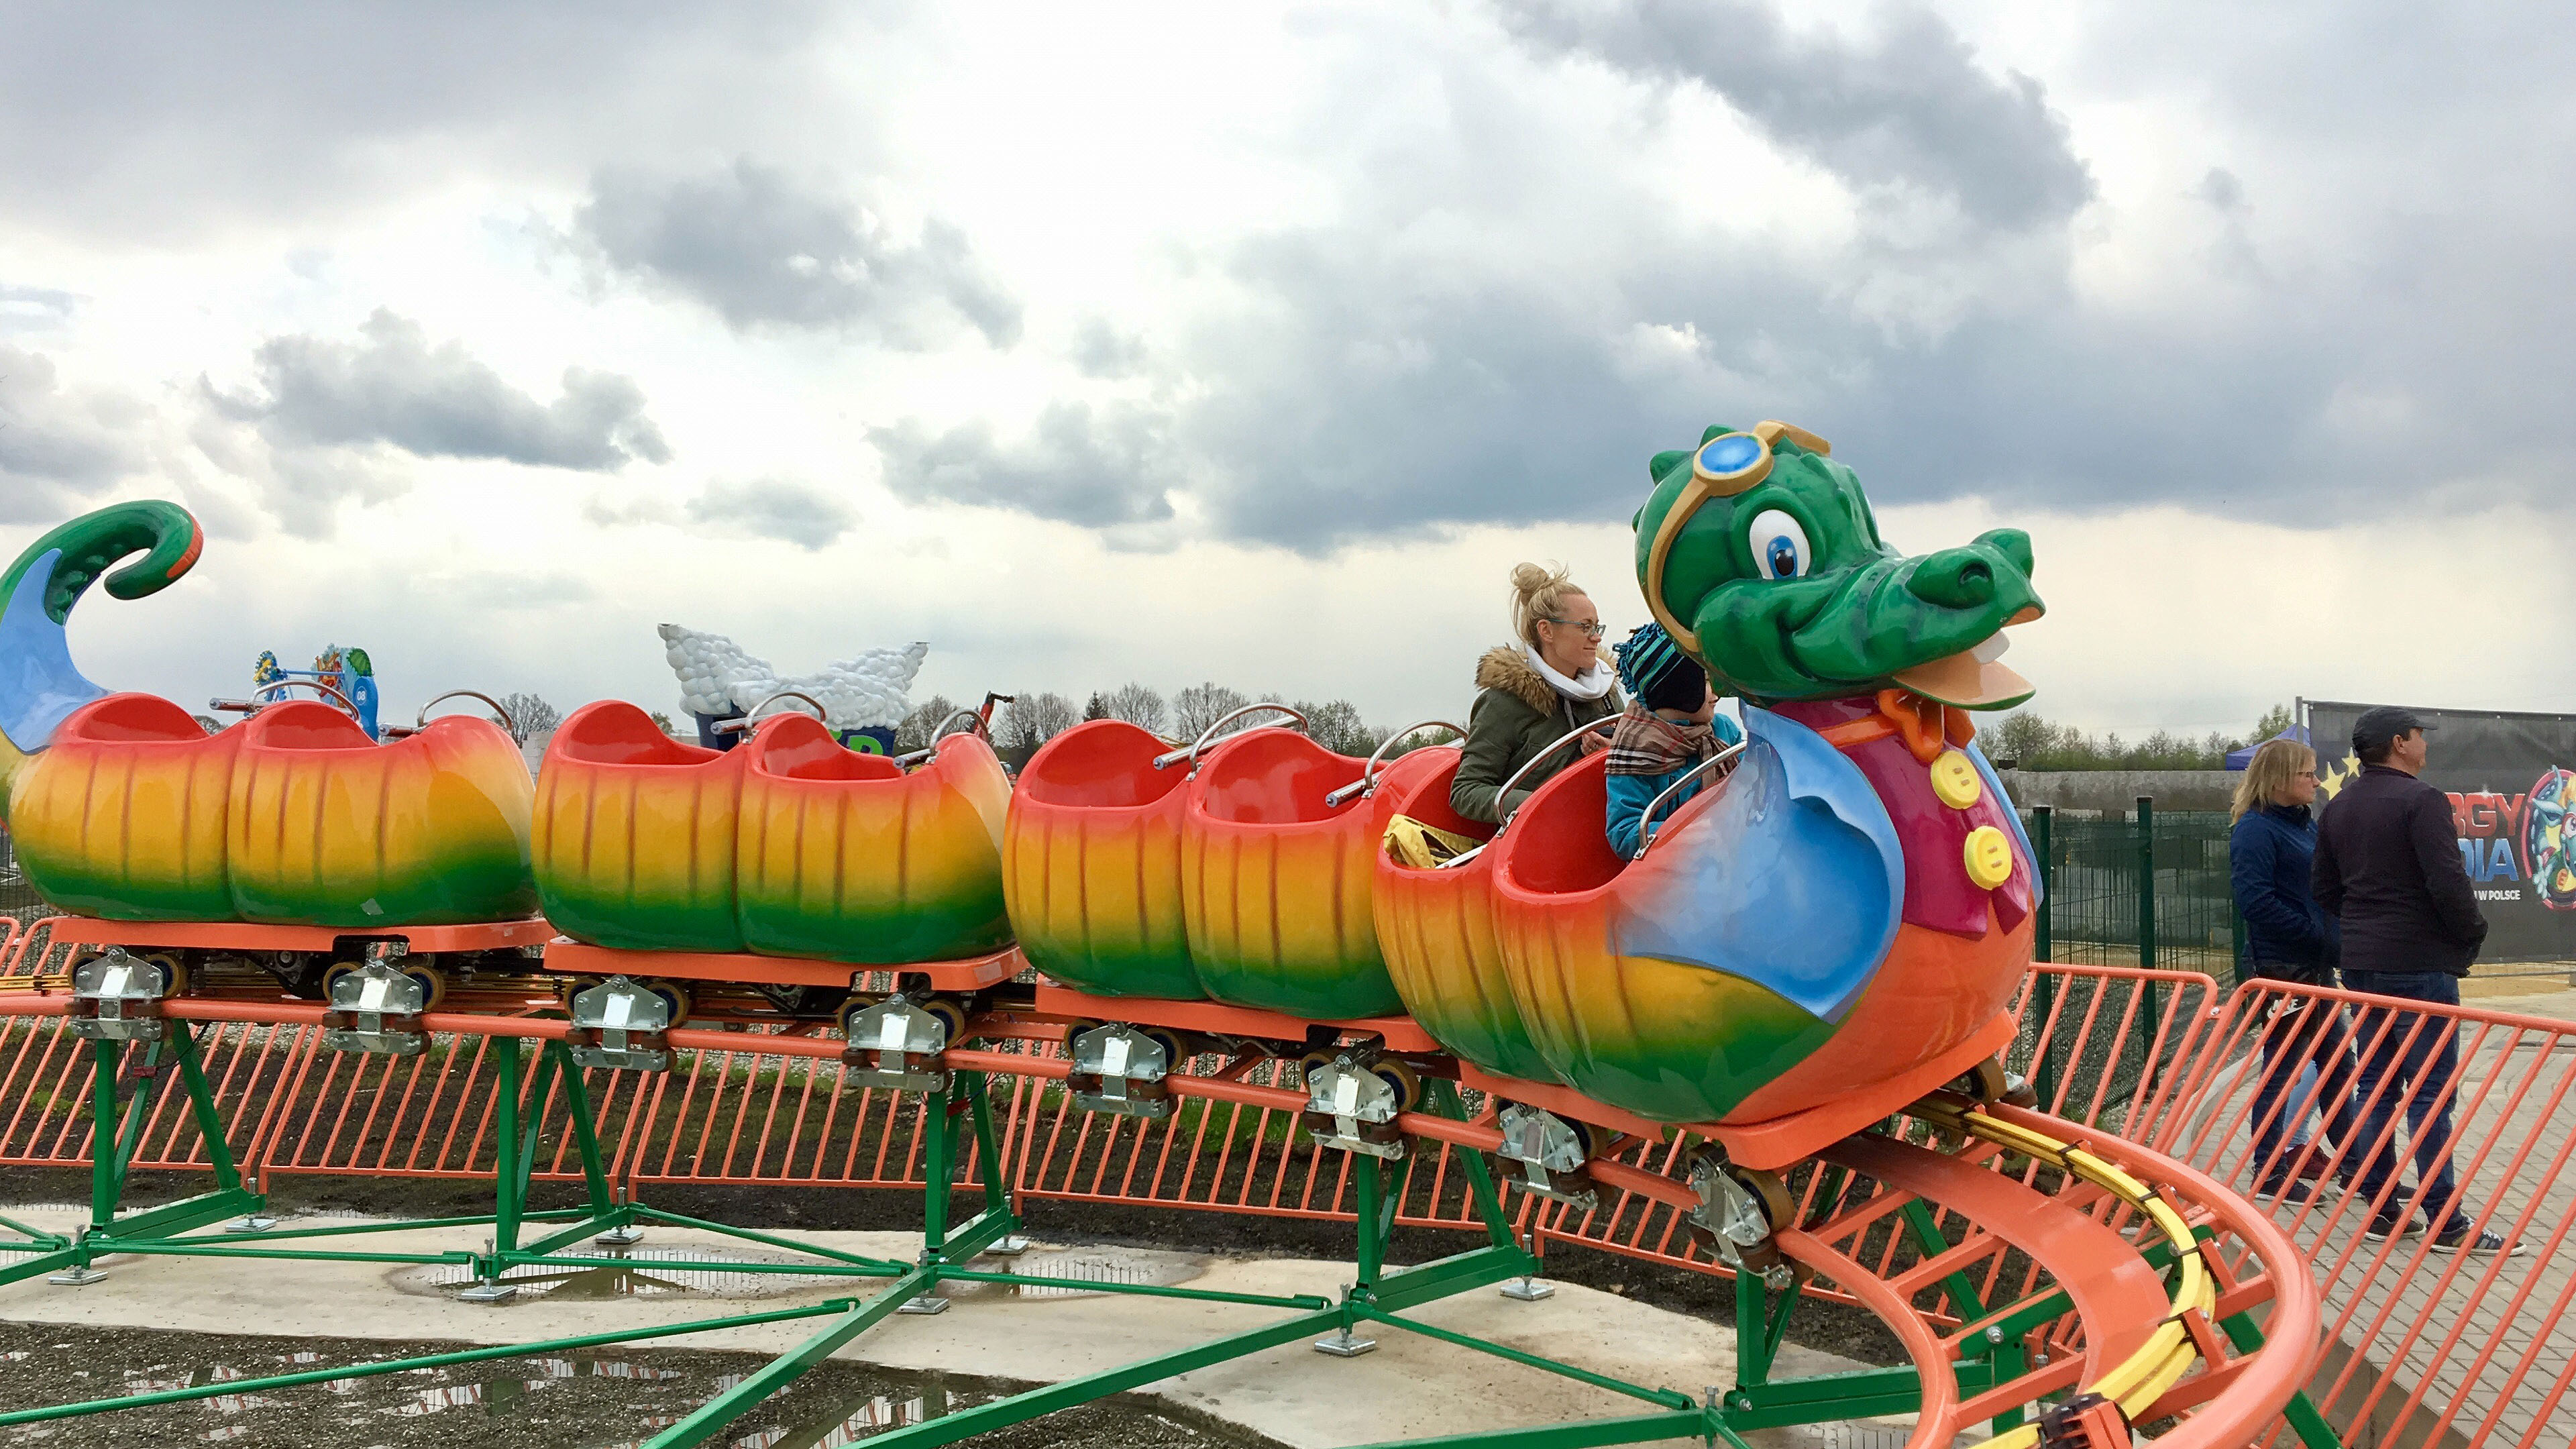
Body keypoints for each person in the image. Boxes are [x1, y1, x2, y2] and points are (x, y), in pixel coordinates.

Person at [2312, 706, 2521, 1256]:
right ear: (2399, 743)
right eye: (2419, 735)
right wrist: (2470, 934)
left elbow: (2325, 890)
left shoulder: (2339, 805)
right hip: (2418, 964)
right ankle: (2446, 1220)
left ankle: (2382, 1208)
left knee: (2376, 1082)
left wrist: (2363, 926)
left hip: (2362, 961)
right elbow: (2447, 882)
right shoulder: (2422, 800)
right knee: (2430, 1091)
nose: (2425, 742)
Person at [2227, 737, 2362, 1205]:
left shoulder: (2304, 826)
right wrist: (2318, 937)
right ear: (2280, 779)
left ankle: (2356, 1171)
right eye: (2306, 773)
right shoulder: (2256, 830)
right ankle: (2267, 1170)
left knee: (2338, 1067)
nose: (2314, 780)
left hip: (2314, 965)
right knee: (2283, 1069)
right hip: (2282, 967)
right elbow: (2255, 901)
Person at [1452, 562, 1625, 824]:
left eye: (1597, 628)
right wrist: (1537, 804)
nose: (1596, 638)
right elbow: (1466, 791)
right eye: (1585, 627)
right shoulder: (1504, 702)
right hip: (1537, 849)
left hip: (1605, 836)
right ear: (1546, 631)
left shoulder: (1606, 695)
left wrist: (1613, 755)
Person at [1603, 623, 1742, 858]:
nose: (1717, 694)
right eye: (1707, 681)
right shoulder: (1635, 752)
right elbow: (1625, 832)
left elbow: (1754, 783)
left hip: (1730, 853)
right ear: (1680, 688)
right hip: (1669, 873)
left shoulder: (1724, 729)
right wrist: (1697, 830)